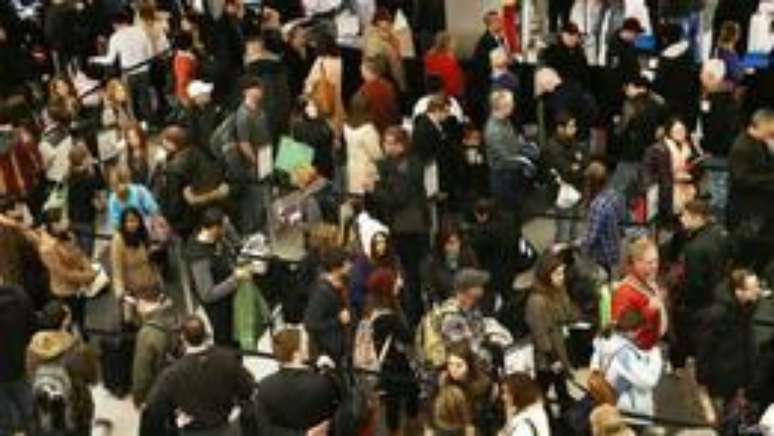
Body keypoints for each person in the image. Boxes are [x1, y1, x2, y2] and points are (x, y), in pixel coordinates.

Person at [141, 314, 256, 436]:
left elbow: (154, 408)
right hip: (225, 429)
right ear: (205, 335)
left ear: (183, 338)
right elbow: (248, 388)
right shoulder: (228, 359)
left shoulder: (172, 373)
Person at [370, 127, 429, 325]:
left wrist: (374, 189)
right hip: (407, 224)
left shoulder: (407, 167)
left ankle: (414, 316)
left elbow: (398, 198)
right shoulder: (402, 163)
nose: (385, 147)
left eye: (389, 143)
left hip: (408, 228)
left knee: (411, 274)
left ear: (401, 145)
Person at [696, 269, 761, 429]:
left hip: (737, 381)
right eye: (753, 288)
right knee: (721, 423)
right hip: (720, 381)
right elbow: (704, 348)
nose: (758, 291)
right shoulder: (718, 314)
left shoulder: (747, 308)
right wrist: (703, 380)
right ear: (739, 291)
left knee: (731, 422)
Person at [27, 301, 100, 436]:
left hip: (44, 403)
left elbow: (30, 374)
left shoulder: (33, 347)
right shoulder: (78, 349)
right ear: (65, 322)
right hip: (77, 406)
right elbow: (93, 378)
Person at [364, 267, 420, 435]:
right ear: (386, 287)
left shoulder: (371, 309)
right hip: (396, 365)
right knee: (408, 397)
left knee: (391, 403)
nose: (400, 283)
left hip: (384, 365)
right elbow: (408, 337)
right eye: (396, 281)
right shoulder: (388, 317)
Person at [253, 328, 339, 433]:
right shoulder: (323, 383)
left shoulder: (264, 386)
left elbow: (264, 429)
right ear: (296, 354)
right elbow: (343, 411)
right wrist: (331, 372)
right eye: (304, 343)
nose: (308, 345)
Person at [590, 309, 664, 430]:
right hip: (630, 410)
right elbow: (649, 381)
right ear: (633, 330)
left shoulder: (605, 341)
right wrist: (656, 357)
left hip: (611, 401)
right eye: (640, 330)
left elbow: (596, 365)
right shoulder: (624, 354)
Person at [186, 207, 247, 346]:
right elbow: (207, 294)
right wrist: (236, 279)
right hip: (218, 312)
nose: (228, 229)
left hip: (230, 303)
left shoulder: (217, 238)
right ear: (215, 228)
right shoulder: (199, 257)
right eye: (225, 227)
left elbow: (236, 244)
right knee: (227, 345)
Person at [526, 251, 576, 416]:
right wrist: (553, 358)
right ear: (546, 275)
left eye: (562, 272)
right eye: (557, 273)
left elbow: (567, 314)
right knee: (543, 388)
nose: (562, 277)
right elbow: (540, 334)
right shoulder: (536, 301)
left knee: (560, 384)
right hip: (547, 356)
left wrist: (563, 292)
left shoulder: (556, 291)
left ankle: (565, 411)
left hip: (559, 345)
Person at [90, 10, 155, 123]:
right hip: (144, 70)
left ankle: (138, 125)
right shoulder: (140, 31)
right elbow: (150, 52)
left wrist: (94, 59)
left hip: (129, 73)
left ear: (115, 24)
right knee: (145, 100)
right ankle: (150, 123)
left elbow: (109, 60)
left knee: (131, 102)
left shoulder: (115, 37)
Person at [727, 109, 774, 261]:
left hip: (762, 207)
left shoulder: (762, 143)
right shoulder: (741, 146)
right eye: (771, 127)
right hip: (747, 212)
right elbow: (741, 179)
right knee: (747, 253)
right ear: (762, 125)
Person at [612, 236, 668, 351]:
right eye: (650, 262)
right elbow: (622, 329)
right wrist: (649, 309)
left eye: (656, 260)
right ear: (636, 262)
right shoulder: (624, 291)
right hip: (634, 356)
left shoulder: (650, 282)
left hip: (649, 350)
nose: (655, 266)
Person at [233, 76, 272, 234]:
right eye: (255, 88)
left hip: (265, 155)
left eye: (259, 88)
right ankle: (254, 229)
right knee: (257, 196)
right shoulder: (243, 115)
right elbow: (244, 143)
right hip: (255, 161)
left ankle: (265, 224)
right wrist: (255, 161)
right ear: (245, 92)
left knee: (266, 192)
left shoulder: (260, 109)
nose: (259, 91)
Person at [111, 207, 164, 320]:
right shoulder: (118, 240)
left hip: (151, 286)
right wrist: (121, 294)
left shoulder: (143, 234)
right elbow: (117, 269)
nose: (131, 224)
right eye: (128, 221)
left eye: (134, 220)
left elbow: (151, 263)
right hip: (133, 291)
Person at [304, 246, 353, 364]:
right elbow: (311, 323)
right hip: (328, 350)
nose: (351, 265)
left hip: (340, 344)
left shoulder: (343, 281)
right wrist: (338, 320)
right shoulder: (322, 292)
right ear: (336, 267)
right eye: (347, 263)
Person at [544, 112, 588, 242]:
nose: (575, 129)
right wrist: (578, 165)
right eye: (571, 126)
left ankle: (572, 256)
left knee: (576, 228)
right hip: (562, 195)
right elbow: (567, 171)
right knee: (564, 229)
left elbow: (585, 159)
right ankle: (560, 257)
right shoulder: (552, 147)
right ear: (560, 128)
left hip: (578, 190)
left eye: (574, 126)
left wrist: (578, 165)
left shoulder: (573, 142)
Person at [132, 294, 179, 408]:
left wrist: (139, 399)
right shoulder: (174, 318)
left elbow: (142, 374)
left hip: (157, 393)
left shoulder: (146, 335)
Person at [0, 284, 36, 436]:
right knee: (32, 417)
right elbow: (32, 329)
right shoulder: (20, 295)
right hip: (21, 368)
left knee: (4, 424)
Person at [421, 219, 479, 306]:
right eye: (449, 243)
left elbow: (476, 286)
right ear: (442, 245)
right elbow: (430, 292)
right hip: (444, 308)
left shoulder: (469, 258)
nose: (453, 247)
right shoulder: (431, 263)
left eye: (455, 242)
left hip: (468, 307)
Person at [244, 35, 292, 142]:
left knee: (265, 156)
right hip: (283, 123)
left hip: (261, 128)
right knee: (286, 155)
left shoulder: (251, 76)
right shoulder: (280, 70)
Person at [439, 341, 494, 432]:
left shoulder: (482, 385)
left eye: (459, 365)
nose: (453, 369)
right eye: (450, 364)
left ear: (469, 365)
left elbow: (479, 417)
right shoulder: (445, 380)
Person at [349, 215, 399, 316]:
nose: (381, 246)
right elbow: (357, 294)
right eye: (377, 243)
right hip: (372, 311)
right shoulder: (362, 263)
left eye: (384, 242)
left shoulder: (393, 260)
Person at [582, 161, 626, 276]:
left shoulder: (597, 205)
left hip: (601, 254)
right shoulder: (615, 195)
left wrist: (574, 245)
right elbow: (622, 221)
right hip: (614, 247)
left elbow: (590, 238)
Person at [484, 89, 524, 213]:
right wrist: (525, 161)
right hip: (502, 177)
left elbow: (515, 142)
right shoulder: (493, 130)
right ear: (503, 106)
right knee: (506, 215)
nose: (513, 106)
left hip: (512, 173)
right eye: (511, 104)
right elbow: (506, 157)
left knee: (515, 212)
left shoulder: (506, 121)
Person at [304, 33, 346, 131]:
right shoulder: (339, 60)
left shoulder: (321, 62)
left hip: (323, 101)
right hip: (337, 101)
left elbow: (310, 83)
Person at [344, 93, 383, 195]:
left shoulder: (346, 126)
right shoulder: (368, 130)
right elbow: (376, 154)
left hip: (352, 170)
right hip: (367, 172)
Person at [363, 8, 406, 93]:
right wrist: (403, 88)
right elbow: (397, 69)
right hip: (379, 73)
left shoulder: (367, 32)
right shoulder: (387, 46)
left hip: (366, 71)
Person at [355, 58, 400, 134]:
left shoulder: (364, 91)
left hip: (375, 131)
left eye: (362, 70)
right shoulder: (388, 85)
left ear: (368, 71)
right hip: (390, 128)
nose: (361, 73)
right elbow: (394, 108)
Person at [541, 22, 590, 87]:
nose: (573, 38)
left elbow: (585, 75)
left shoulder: (579, 53)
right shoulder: (551, 52)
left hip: (578, 90)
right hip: (560, 91)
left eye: (575, 35)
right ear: (562, 35)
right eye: (569, 34)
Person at [424, 32, 464, 99]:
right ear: (446, 46)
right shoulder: (449, 62)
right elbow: (454, 83)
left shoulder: (429, 57)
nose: (455, 45)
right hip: (448, 95)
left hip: (434, 93)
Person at [715, 20, 744, 86]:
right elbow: (734, 74)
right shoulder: (726, 52)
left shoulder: (727, 49)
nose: (739, 35)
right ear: (734, 36)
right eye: (738, 33)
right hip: (729, 85)